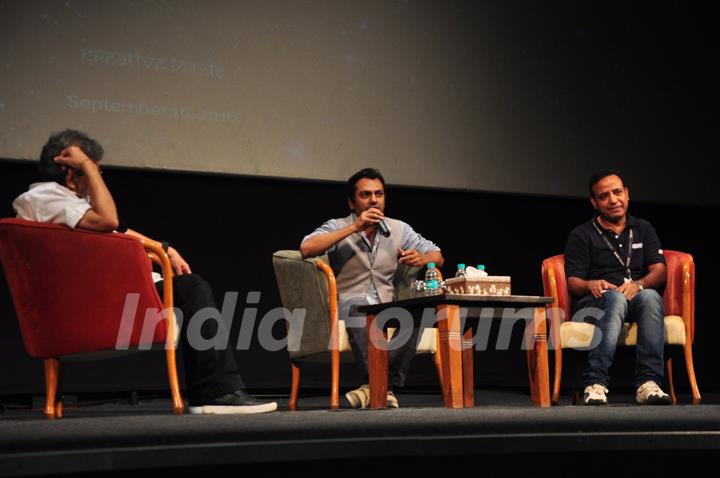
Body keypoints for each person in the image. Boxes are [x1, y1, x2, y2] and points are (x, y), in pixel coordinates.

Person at [12, 129, 277, 415]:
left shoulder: (60, 201)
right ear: (69, 170)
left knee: (187, 286)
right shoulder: (44, 197)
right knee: (191, 288)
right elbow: (109, 220)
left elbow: (117, 230)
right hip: (95, 301)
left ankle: (211, 392)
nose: (97, 177)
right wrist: (88, 166)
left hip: (101, 293)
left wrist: (162, 247)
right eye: (94, 169)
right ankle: (218, 392)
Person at [300, 168, 444, 408]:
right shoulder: (337, 225)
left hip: (388, 303)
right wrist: (354, 228)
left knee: (420, 311)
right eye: (365, 195)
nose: (374, 200)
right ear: (351, 202)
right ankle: (382, 387)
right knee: (363, 308)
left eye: (379, 194)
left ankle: (376, 387)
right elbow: (307, 247)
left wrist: (422, 257)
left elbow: (438, 255)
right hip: (349, 304)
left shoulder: (399, 229)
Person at [564, 170, 671, 405]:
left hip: (637, 295)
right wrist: (591, 283)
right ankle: (595, 383)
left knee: (651, 296)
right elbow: (573, 283)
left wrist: (638, 285)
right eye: (604, 196)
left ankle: (648, 383)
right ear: (594, 202)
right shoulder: (582, 235)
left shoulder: (643, 228)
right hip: (598, 300)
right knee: (615, 298)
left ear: (627, 194)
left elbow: (660, 271)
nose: (613, 200)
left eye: (617, 192)